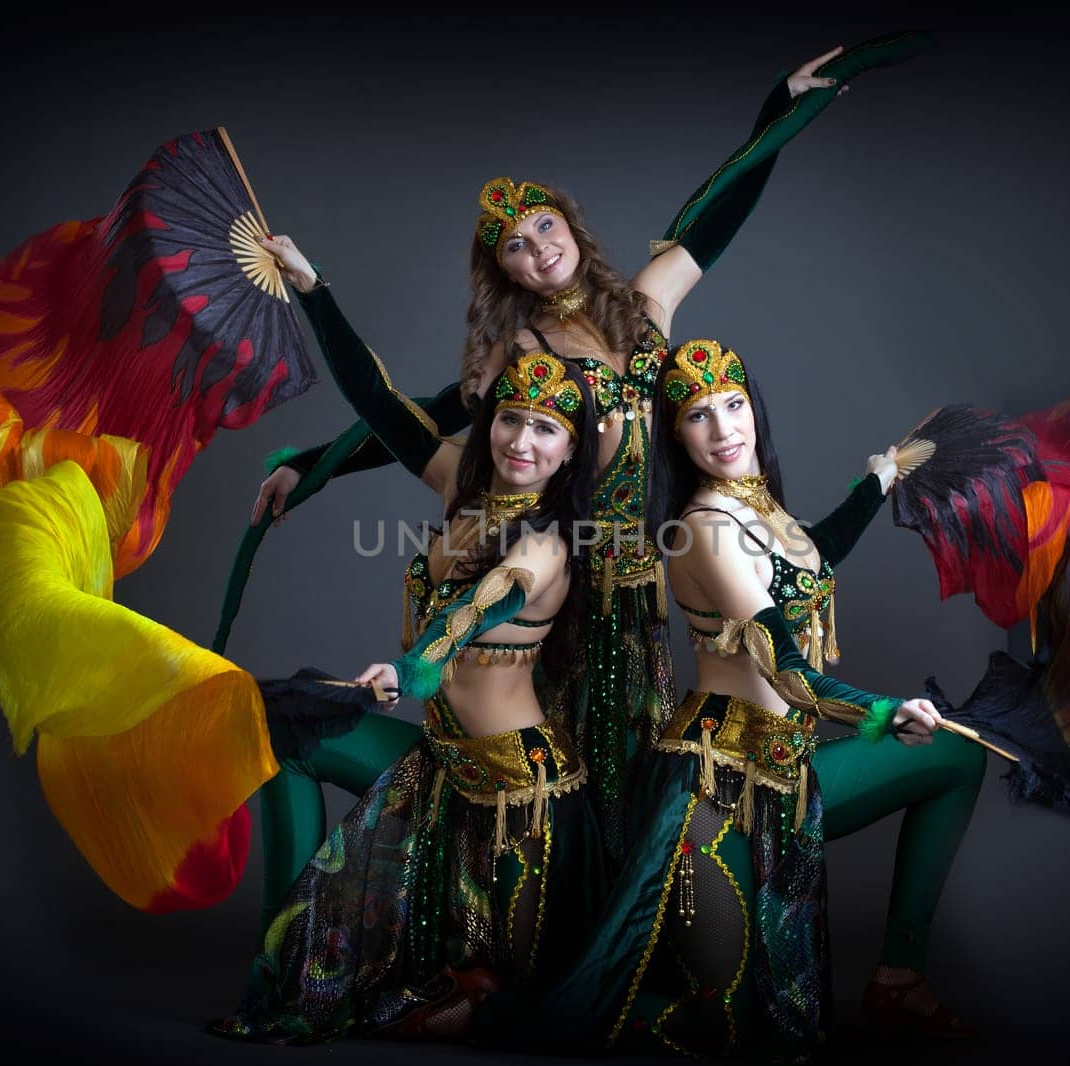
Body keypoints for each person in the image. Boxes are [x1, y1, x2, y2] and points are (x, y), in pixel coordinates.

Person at [245, 39, 928, 872]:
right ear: (502, 270)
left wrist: (779, 107)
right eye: (515, 245)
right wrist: (311, 465)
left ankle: (621, 931)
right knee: (546, 778)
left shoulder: (646, 306)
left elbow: (717, 214)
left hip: (648, 583)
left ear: (568, 222)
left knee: (635, 769)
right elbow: (404, 420)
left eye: (544, 225)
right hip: (554, 579)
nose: (538, 248)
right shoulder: (518, 355)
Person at [541, 339, 982, 1057]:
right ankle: (491, 1015)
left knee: (958, 761)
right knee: (731, 1027)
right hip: (715, 794)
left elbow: (809, 557)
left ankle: (900, 978)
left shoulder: (763, 511)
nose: (723, 431)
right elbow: (788, 672)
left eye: (734, 405)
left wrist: (875, 484)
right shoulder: (706, 530)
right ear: (676, 435)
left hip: (789, 775)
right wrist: (879, 714)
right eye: (697, 416)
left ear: (754, 409)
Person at [212, 235, 604, 1042]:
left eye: (546, 432)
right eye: (511, 422)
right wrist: (314, 287)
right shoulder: (460, 485)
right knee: (284, 736)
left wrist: (405, 668)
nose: (521, 443)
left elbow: (473, 617)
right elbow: (384, 408)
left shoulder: (545, 544)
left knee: (509, 1006)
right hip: (439, 766)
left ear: (569, 453)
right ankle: (279, 962)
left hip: (513, 804)